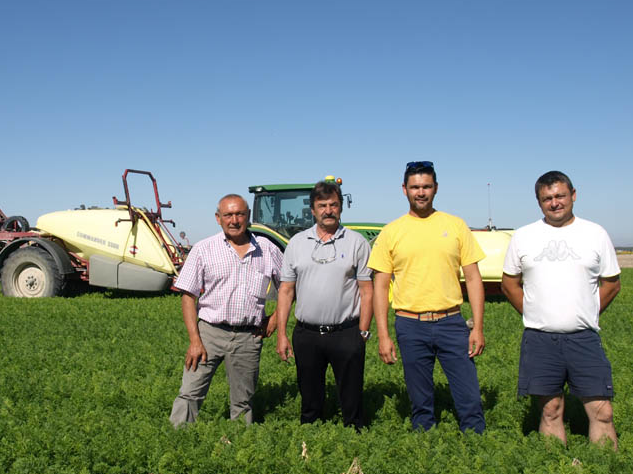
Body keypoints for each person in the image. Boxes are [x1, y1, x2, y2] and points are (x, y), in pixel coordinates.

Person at [501, 170, 621, 448]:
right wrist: (533, 313)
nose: (554, 202)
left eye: (560, 196)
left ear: (573, 196)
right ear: (539, 202)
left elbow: (612, 284)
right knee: (550, 410)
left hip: (584, 338)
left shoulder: (595, 233)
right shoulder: (524, 236)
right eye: (547, 198)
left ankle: (608, 473)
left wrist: (587, 313)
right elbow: (509, 285)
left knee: (603, 411)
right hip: (540, 340)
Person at [368, 161, 487, 433]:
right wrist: (383, 336)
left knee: (469, 399)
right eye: (414, 187)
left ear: (435, 188)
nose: (420, 192)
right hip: (410, 325)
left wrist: (477, 327)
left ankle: (476, 445)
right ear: (404, 190)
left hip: (452, 323)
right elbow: (380, 286)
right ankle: (425, 449)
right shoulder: (391, 232)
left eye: (426, 186)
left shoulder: (455, 226)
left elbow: (473, 279)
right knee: (420, 402)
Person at [169, 194, 283, 426]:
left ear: (248, 216)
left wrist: (276, 318)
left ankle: (239, 448)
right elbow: (188, 296)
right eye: (228, 215)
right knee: (190, 393)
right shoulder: (203, 249)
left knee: (243, 401)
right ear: (218, 218)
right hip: (209, 333)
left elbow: (290, 287)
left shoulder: (267, 249)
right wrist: (194, 340)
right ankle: (176, 441)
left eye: (239, 214)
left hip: (248, 337)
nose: (234, 220)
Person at [275, 180, 374, 429]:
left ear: (340, 208)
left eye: (334, 205)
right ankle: (310, 443)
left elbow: (367, 290)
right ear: (312, 210)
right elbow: (286, 291)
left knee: (352, 399)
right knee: (309, 399)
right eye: (322, 205)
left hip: (346, 333)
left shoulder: (356, 243)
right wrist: (282, 334)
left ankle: (354, 440)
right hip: (306, 334)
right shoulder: (296, 244)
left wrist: (362, 332)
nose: (328, 210)